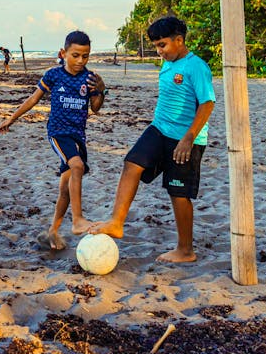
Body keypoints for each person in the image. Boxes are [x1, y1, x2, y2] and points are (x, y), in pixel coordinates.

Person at [90, 16, 215, 264]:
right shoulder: (167, 64)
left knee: (178, 192)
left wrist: (188, 138)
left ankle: (185, 250)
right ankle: (116, 222)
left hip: (186, 139)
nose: (159, 51)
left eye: (163, 45)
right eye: (156, 46)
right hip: (159, 129)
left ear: (179, 41)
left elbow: (207, 103)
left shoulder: (196, 67)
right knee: (131, 164)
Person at [0, 30, 106, 249]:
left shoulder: (90, 78)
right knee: (76, 166)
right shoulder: (53, 75)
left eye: (85, 56)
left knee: (65, 188)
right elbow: (33, 99)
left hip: (78, 137)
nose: (80, 60)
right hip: (58, 132)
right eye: (75, 55)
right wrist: (12, 118)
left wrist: (101, 91)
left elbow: (95, 108)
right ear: (63, 53)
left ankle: (52, 232)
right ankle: (77, 220)